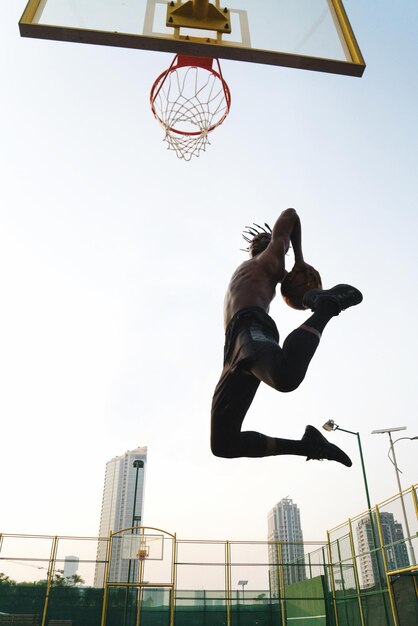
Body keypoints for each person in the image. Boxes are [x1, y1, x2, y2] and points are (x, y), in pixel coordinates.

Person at [210, 208, 363, 466]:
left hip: (250, 327)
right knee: (223, 444)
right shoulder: (251, 266)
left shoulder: (273, 256)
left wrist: (299, 261)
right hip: (233, 349)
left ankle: (326, 307)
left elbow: (290, 214)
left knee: (285, 376)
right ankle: (309, 445)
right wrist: (299, 265)